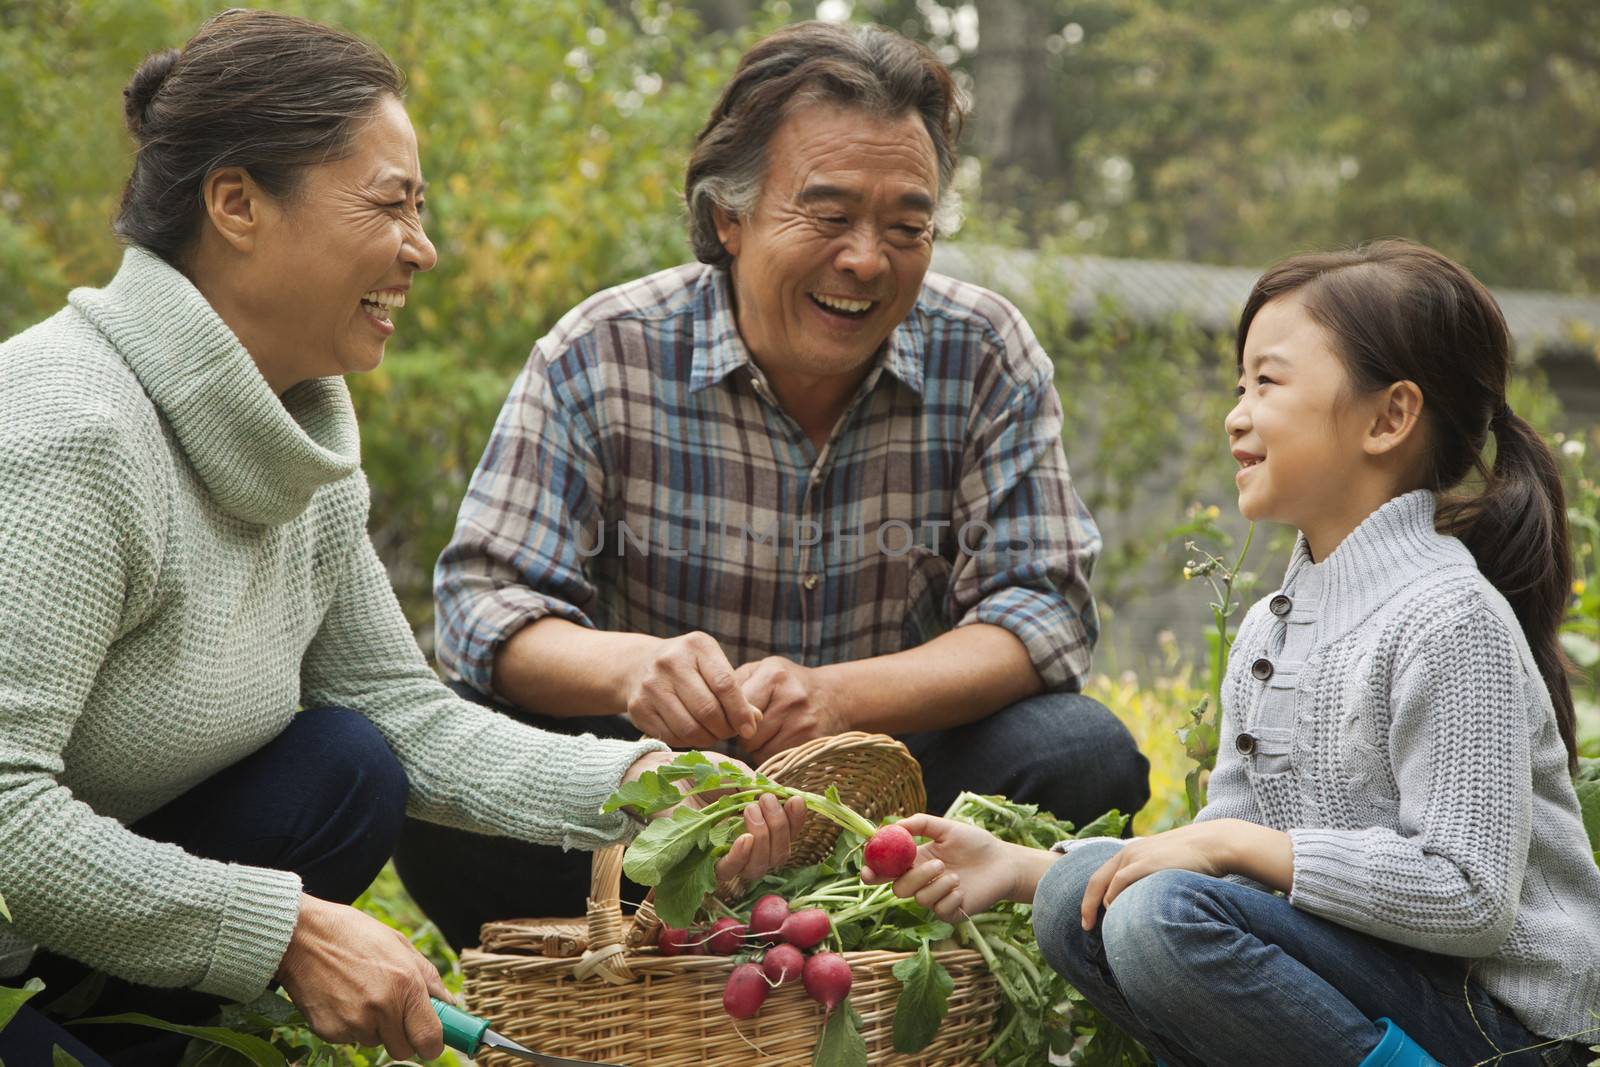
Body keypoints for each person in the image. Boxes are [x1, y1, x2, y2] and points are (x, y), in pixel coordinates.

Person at [0, 12, 801, 1067]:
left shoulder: (292, 431)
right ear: (236, 202)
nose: (421, 248)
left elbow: (401, 712)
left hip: (53, 929)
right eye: (391, 205)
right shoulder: (70, 431)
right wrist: (283, 927)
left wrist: (651, 781)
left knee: (346, 762)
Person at [399, 19, 1151, 949]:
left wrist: (837, 698)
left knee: (1080, 752)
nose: (867, 259)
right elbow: (483, 604)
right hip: (652, 810)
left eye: (907, 226)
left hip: (891, 812)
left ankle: (878, 968)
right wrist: (636, 669)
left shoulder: (986, 352)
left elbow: (1043, 612)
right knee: (441, 774)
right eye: (828, 216)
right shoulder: (604, 351)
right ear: (730, 216)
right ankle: (630, 980)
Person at [862, 240, 1600, 1065]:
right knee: (1078, 899)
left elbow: (1470, 896)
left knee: (1159, 917)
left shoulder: (1449, 617)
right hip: (1380, 984)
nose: (1235, 412)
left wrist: (1232, 848)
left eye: (1269, 382)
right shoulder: (1274, 629)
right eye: (1238, 384)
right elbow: (1224, 845)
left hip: (1501, 1028)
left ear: (1388, 417)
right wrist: (1023, 866)